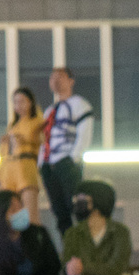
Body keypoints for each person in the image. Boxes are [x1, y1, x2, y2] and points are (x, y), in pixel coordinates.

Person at [39, 66, 95, 231]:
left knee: (77, 208)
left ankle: (84, 243)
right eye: (52, 77)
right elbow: (44, 138)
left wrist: (73, 158)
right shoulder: (50, 110)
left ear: (71, 81)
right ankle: (69, 244)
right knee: (59, 212)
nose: (56, 80)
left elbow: (84, 133)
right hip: (49, 165)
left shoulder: (79, 104)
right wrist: (42, 163)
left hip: (66, 162)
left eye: (60, 77)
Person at [0, 87, 44, 220]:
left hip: (26, 167)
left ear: (31, 103)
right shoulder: (12, 126)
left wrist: (23, 139)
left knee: (30, 214)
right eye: (16, 102)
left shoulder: (37, 122)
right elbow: (2, 156)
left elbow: (41, 140)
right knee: (8, 215)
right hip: (9, 170)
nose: (19, 106)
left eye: (22, 101)